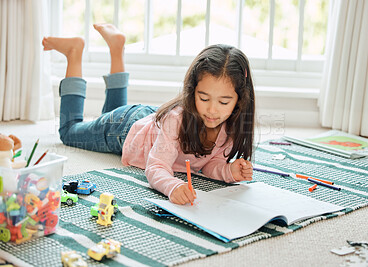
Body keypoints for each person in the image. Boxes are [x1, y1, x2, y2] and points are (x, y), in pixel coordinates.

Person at [42, 23, 254, 205]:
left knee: (108, 114)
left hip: (148, 120)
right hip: (124, 129)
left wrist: (229, 172)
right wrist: (172, 186)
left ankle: (117, 48)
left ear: (239, 100)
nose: (212, 110)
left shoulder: (230, 125)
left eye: (224, 102)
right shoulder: (177, 120)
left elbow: (208, 164)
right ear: (191, 91)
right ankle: (73, 53)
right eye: (204, 98)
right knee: (70, 131)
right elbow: (157, 167)